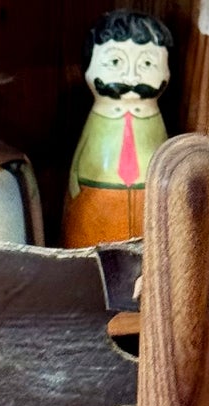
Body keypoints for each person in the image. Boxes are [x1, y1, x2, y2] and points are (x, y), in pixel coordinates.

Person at [64, 9, 173, 248]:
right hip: (97, 198)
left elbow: (167, 162)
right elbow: (81, 160)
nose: (131, 76)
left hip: (149, 198)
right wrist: (75, 188)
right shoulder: (98, 118)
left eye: (147, 63)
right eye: (115, 62)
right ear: (88, 67)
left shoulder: (155, 120)